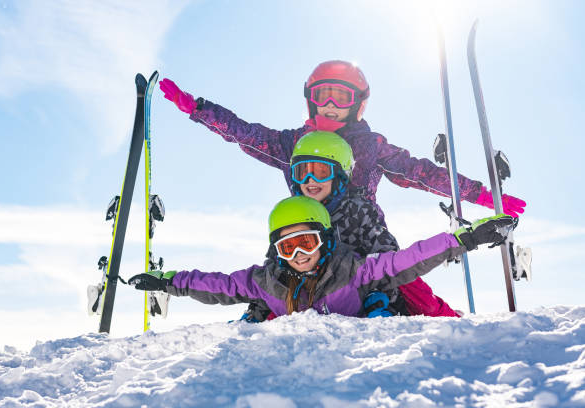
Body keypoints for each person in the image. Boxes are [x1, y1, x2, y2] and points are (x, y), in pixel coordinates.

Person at [159, 60, 526, 232]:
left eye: (341, 96)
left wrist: (480, 195)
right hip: (307, 238)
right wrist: (198, 109)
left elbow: (422, 174)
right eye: (324, 95)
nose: (331, 104)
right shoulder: (292, 143)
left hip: (362, 238)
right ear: (311, 100)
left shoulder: (370, 145)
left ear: (358, 103)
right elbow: (243, 132)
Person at [128, 196, 515, 319]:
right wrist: (168, 281)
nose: (298, 255)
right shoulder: (264, 281)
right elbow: (215, 284)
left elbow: (409, 258)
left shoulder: (355, 270)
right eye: (287, 248)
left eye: (307, 243)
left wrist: (465, 237)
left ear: (325, 241)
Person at [242, 130, 459, 322]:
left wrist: (380, 298)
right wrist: (257, 309)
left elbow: (386, 258)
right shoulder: (295, 213)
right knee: (279, 305)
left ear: (340, 175)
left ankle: (452, 321)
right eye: (302, 172)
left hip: (364, 288)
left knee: (415, 288)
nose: (309, 180)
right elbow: (275, 266)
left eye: (320, 172)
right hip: (318, 291)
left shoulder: (357, 209)